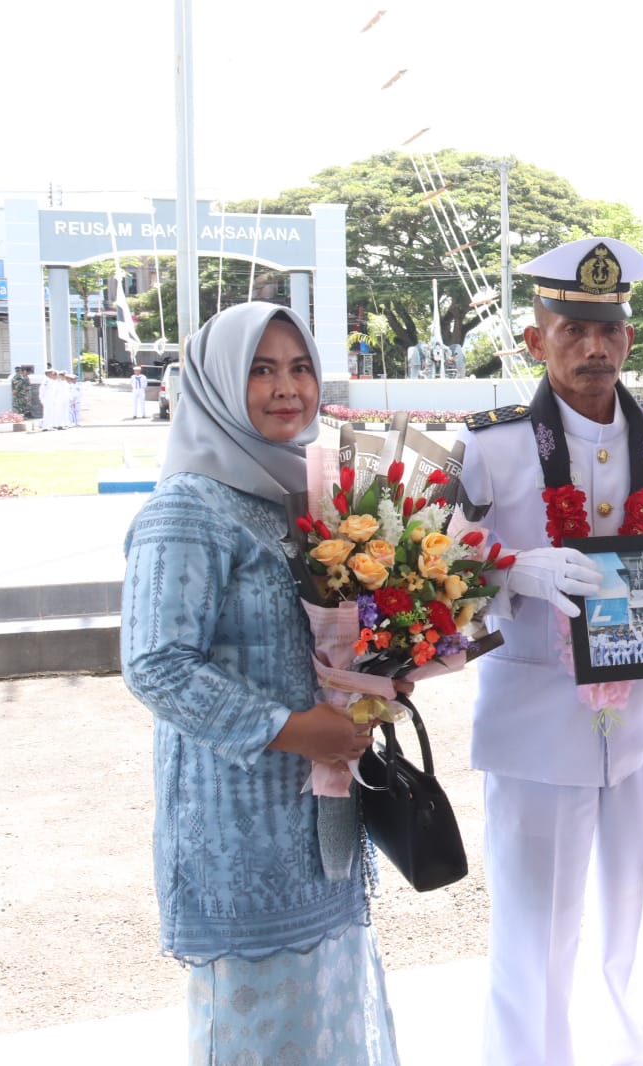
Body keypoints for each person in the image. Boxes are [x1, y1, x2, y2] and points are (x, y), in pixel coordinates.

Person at [455, 236, 643, 1066]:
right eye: (572, 328)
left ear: (629, 339)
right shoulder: (492, 445)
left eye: (609, 329)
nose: (593, 347)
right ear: (536, 339)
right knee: (533, 936)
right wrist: (510, 570)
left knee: (622, 932)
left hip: (635, 729)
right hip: (535, 728)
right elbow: (430, 567)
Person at [120, 301, 400, 1065]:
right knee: (261, 1034)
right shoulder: (187, 509)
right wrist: (296, 727)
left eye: (300, 367)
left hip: (320, 824)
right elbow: (156, 664)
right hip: (235, 833)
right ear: (213, 384)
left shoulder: (300, 502)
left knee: (330, 1019)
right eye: (261, 370)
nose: (287, 388)